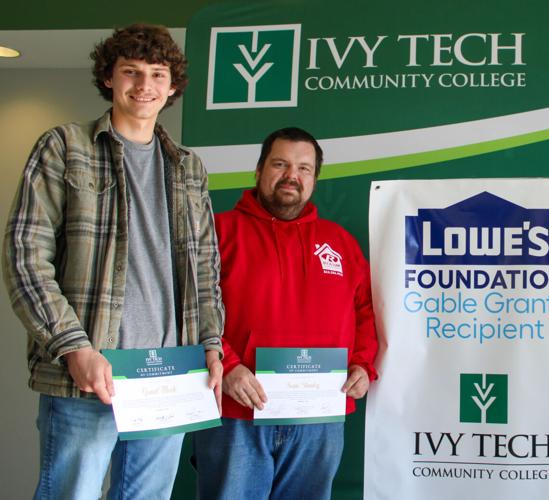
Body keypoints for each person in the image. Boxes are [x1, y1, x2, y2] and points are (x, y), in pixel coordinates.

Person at [3, 24, 224, 499]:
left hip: (170, 371)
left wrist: (211, 343)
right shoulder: (65, 147)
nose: (145, 85)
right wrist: (73, 347)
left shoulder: (189, 167)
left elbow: (206, 267)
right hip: (89, 370)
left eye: (157, 74)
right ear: (108, 77)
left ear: (172, 86)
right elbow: (25, 255)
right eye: (131, 71)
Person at [192, 127, 378, 500]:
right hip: (236, 413)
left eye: (304, 168)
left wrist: (362, 364)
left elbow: (366, 312)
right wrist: (227, 365)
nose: (292, 176)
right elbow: (188, 306)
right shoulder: (217, 232)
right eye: (280, 164)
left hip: (319, 417)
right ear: (259, 170)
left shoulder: (340, 243)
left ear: (314, 179)